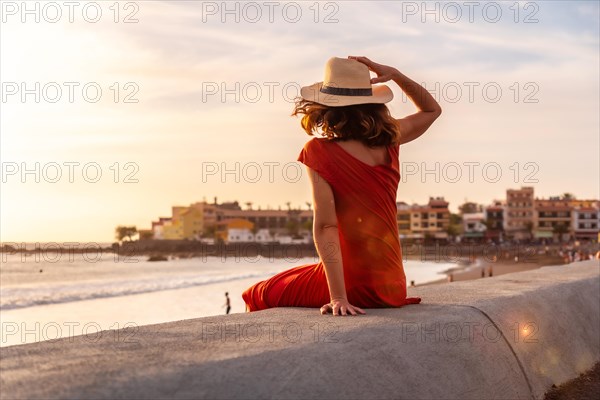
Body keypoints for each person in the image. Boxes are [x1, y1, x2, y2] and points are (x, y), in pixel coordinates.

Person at [242, 56, 442, 316]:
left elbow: (326, 226)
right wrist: (396, 75)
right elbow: (431, 110)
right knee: (295, 274)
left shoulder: (318, 151)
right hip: (392, 286)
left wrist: (338, 298)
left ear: (326, 107)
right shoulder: (391, 139)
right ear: (373, 103)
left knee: (259, 292)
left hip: (355, 286)